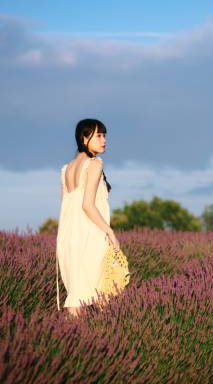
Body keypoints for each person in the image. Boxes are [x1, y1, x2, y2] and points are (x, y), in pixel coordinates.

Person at [55, 119, 120, 319]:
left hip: (67, 236)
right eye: (98, 135)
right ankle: (104, 335)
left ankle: (71, 341)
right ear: (84, 138)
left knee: (77, 293)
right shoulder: (94, 164)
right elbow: (87, 205)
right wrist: (110, 232)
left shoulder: (66, 170)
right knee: (106, 287)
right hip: (90, 233)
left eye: (104, 135)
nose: (104, 140)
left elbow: (65, 206)